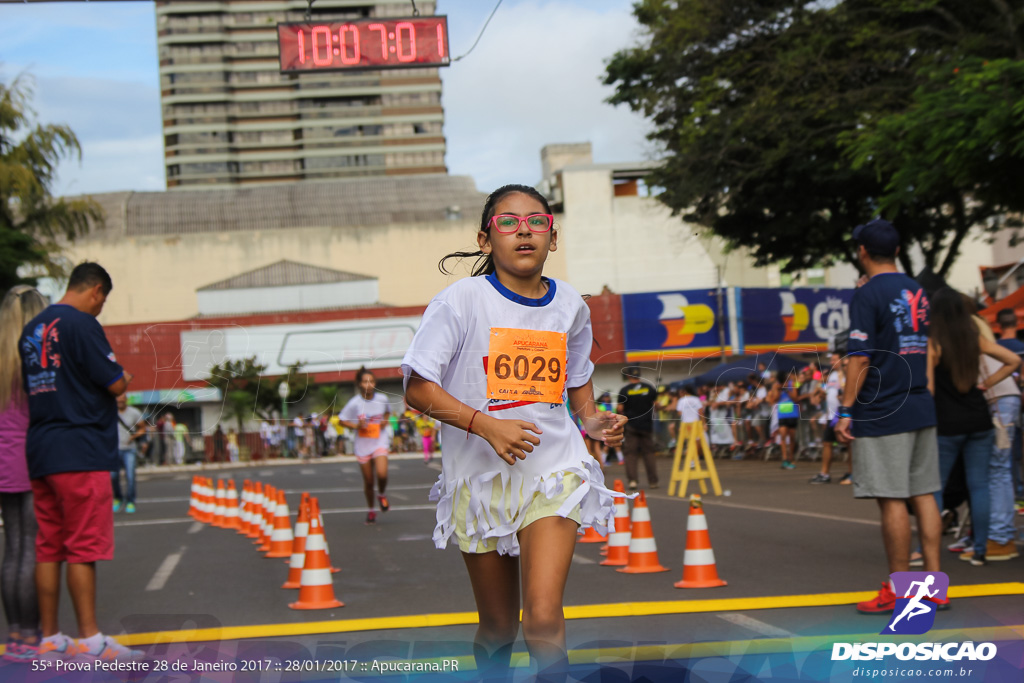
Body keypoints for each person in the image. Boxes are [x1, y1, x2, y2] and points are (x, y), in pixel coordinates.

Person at [402, 184, 628, 681]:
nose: (524, 230)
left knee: (543, 618)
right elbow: (418, 391)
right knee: (499, 627)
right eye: (508, 222)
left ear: (553, 237)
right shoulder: (460, 300)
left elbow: (578, 387)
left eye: (537, 222)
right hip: (479, 480)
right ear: (486, 240)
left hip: (553, 469)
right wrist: (486, 426)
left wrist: (595, 421)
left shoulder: (570, 304)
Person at [18, 262, 143, 660]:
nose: (101, 308)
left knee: (49, 547)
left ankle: (51, 639)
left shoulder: (32, 329)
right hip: (80, 447)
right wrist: (121, 376)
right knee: (83, 547)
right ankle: (90, 639)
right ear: (95, 290)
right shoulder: (81, 324)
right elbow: (115, 382)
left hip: (42, 447)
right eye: (102, 300)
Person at [835, 220, 946, 614]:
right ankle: (933, 585)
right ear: (897, 251)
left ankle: (904, 594)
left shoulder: (867, 294)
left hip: (884, 406)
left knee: (892, 499)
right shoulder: (917, 289)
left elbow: (860, 357)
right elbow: (928, 347)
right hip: (920, 402)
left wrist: (846, 409)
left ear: (863, 252)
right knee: (924, 492)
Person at [929, 289, 1020, 565]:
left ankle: (927, 548)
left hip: (947, 423)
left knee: (936, 488)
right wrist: (987, 385)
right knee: (980, 485)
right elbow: (1014, 361)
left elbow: (929, 389)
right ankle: (981, 549)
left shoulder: (932, 343)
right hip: (980, 419)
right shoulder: (973, 338)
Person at [0, 285, 47, 663]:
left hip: (2, 460)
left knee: (13, 548)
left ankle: (16, 634)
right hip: (32, 461)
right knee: (31, 547)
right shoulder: (36, 357)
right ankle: (32, 635)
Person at [338, 368, 392, 524]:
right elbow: (341, 420)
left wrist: (384, 421)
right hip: (362, 444)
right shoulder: (354, 403)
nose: (369, 384)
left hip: (379, 441)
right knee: (368, 481)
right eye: (365, 381)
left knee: (382, 474)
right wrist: (356, 426)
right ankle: (371, 510)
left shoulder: (382, 399)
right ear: (359, 384)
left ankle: (381, 494)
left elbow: (388, 412)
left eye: (371, 381)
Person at [616, 366, 660, 490]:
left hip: (631, 425)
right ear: (639, 375)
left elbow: (620, 408)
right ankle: (653, 481)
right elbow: (656, 405)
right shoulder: (649, 388)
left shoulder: (625, 390)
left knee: (631, 454)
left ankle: (633, 481)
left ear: (629, 376)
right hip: (646, 425)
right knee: (649, 453)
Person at [810, 352, 844, 484]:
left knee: (849, 445)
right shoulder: (832, 375)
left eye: (834, 360)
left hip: (843, 415)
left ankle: (852, 474)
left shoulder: (845, 374)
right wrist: (821, 395)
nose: (831, 362)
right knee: (827, 443)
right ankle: (824, 474)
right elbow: (830, 393)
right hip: (831, 415)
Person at [112, 394, 145, 514]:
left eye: (122, 398)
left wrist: (134, 436)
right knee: (113, 477)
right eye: (118, 398)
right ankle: (118, 498)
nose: (120, 400)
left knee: (130, 477)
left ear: (126, 399)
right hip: (114, 449)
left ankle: (130, 501)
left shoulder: (134, 412)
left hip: (129, 449)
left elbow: (142, 428)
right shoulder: (110, 411)